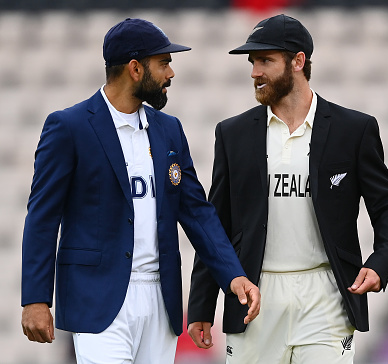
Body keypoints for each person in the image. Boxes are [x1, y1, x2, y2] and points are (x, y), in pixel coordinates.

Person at [20, 18, 260, 364]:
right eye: (163, 63)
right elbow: (42, 217)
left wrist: (233, 275)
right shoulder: (69, 127)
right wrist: (35, 298)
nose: (171, 73)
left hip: (161, 302)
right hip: (98, 299)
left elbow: (196, 211)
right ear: (135, 68)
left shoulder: (169, 130)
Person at [187, 14, 388, 363]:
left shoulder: (354, 129)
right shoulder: (232, 134)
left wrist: (381, 262)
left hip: (326, 295)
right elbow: (217, 224)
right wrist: (201, 303)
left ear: (298, 61)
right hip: (254, 298)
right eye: (252, 62)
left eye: (265, 60)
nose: (254, 71)